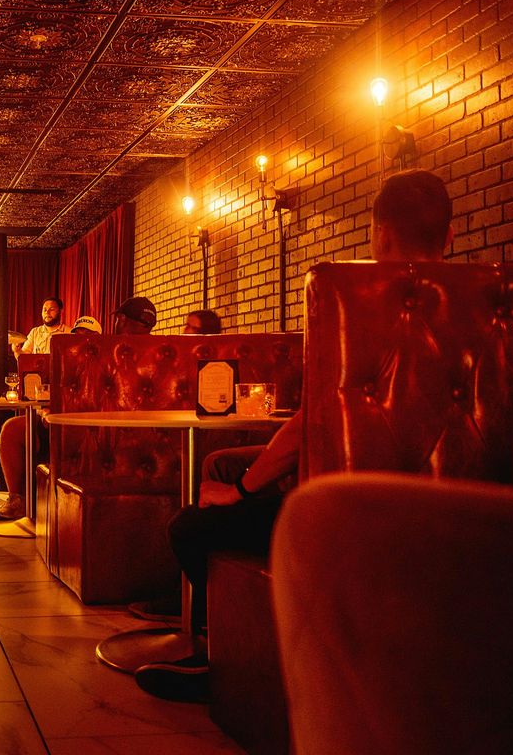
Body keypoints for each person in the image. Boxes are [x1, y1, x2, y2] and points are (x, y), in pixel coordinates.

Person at [135, 169, 454, 699]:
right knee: (229, 475)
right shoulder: (494, 306)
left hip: (348, 516)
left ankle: (229, 664)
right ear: (450, 234)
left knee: (190, 528)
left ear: (379, 235)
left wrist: (239, 490)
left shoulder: (356, 303)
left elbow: (313, 422)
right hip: (471, 519)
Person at [0, 302, 156, 522]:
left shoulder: (113, 353)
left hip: (93, 431)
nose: (81, 341)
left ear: (121, 321)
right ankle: (18, 499)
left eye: (87, 336)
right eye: (76, 336)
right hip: (66, 423)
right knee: (12, 429)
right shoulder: (67, 358)